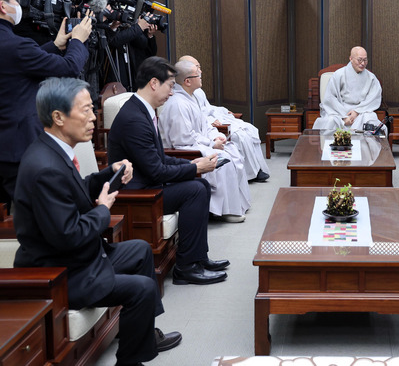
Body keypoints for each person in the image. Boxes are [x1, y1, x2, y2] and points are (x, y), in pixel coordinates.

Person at [13, 77, 182, 366]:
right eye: (87, 110)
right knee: (141, 289)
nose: (94, 118)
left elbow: (76, 190)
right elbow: (68, 235)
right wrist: (103, 210)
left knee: (140, 250)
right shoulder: (45, 168)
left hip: (79, 257)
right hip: (62, 273)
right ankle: (130, 361)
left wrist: (109, 173)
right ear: (58, 117)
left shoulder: (54, 151)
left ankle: (142, 333)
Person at [108, 56, 230, 285]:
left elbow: (159, 158)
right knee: (196, 189)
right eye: (170, 86)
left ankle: (198, 258)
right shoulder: (134, 118)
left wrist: (192, 165)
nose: (172, 93)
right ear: (154, 83)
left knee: (200, 185)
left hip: (148, 185)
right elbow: (156, 171)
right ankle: (186, 268)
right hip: (138, 195)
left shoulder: (143, 110)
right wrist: (193, 169)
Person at [0, 0, 93, 206]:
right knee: (34, 217)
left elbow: (17, 66)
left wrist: (56, 45)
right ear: (2, 6)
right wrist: (78, 42)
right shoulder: (16, 45)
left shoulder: (13, 47)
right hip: (18, 149)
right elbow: (70, 68)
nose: (19, 4)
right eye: (15, 0)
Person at [159, 60, 250, 223]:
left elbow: (204, 125)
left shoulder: (190, 98)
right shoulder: (178, 104)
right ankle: (223, 210)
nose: (201, 76)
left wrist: (215, 137)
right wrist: (211, 144)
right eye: (198, 74)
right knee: (224, 160)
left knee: (233, 151)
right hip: (184, 150)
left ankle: (235, 205)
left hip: (196, 144)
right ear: (187, 81)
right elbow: (183, 139)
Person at [178, 55, 270, 182]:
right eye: (197, 69)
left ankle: (255, 169)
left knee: (249, 129)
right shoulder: (178, 103)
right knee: (238, 137)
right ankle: (249, 173)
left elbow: (207, 109)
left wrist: (223, 111)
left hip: (210, 126)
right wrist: (212, 137)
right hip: (199, 143)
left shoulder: (196, 92)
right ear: (186, 76)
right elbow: (188, 133)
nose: (201, 72)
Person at [312, 46, 383, 132]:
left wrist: (357, 111)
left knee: (371, 120)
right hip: (340, 110)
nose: (363, 63)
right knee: (330, 121)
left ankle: (366, 145)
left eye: (365, 60)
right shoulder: (339, 75)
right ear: (351, 58)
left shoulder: (371, 77)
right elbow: (330, 98)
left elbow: (373, 98)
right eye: (359, 60)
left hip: (362, 111)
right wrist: (344, 117)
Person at [107, 15, 158, 92]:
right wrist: (138, 27)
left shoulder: (138, 30)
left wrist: (150, 36)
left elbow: (150, 53)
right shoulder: (132, 28)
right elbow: (115, 41)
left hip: (135, 76)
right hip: (117, 75)